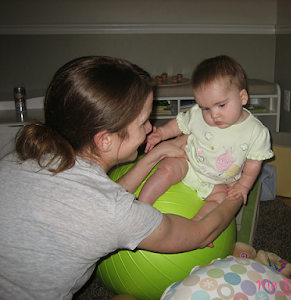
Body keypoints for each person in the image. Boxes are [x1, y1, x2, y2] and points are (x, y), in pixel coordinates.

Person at [0, 56, 243, 300]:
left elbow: (95, 200)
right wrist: (237, 191)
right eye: (142, 123)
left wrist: (154, 156)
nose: (150, 128)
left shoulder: (21, 159)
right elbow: (201, 234)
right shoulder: (112, 212)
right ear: (105, 140)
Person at [140, 55, 273, 220]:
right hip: (190, 165)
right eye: (205, 108)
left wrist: (243, 186)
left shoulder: (256, 132)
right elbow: (179, 124)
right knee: (168, 167)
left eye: (221, 105)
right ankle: (141, 207)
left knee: (220, 202)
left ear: (242, 97)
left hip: (220, 184)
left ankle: (197, 226)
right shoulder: (196, 114)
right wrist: (161, 133)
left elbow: (254, 164)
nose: (214, 115)